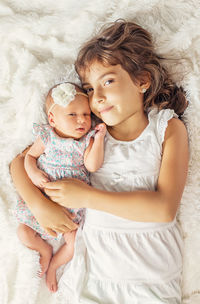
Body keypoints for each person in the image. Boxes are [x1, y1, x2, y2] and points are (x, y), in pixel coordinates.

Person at [10, 20, 189, 303]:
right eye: (89, 89)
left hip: (151, 274)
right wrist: (39, 205)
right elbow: (18, 163)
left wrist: (87, 197)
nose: (98, 97)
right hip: (93, 272)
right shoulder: (85, 131)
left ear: (141, 80)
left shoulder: (166, 129)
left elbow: (164, 209)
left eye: (107, 81)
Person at [14, 82, 106, 293]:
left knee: (73, 243)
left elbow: (93, 165)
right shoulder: (48, 137)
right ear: (52, 119)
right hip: (42, 198)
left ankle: (54, 264)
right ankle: (44, 250)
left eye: (86, 114)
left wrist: (99, 139)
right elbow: (29, 157)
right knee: (23, 231)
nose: (82, 119)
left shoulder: (86, 140)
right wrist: (34, 172)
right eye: (72, 115)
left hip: (69, 208)